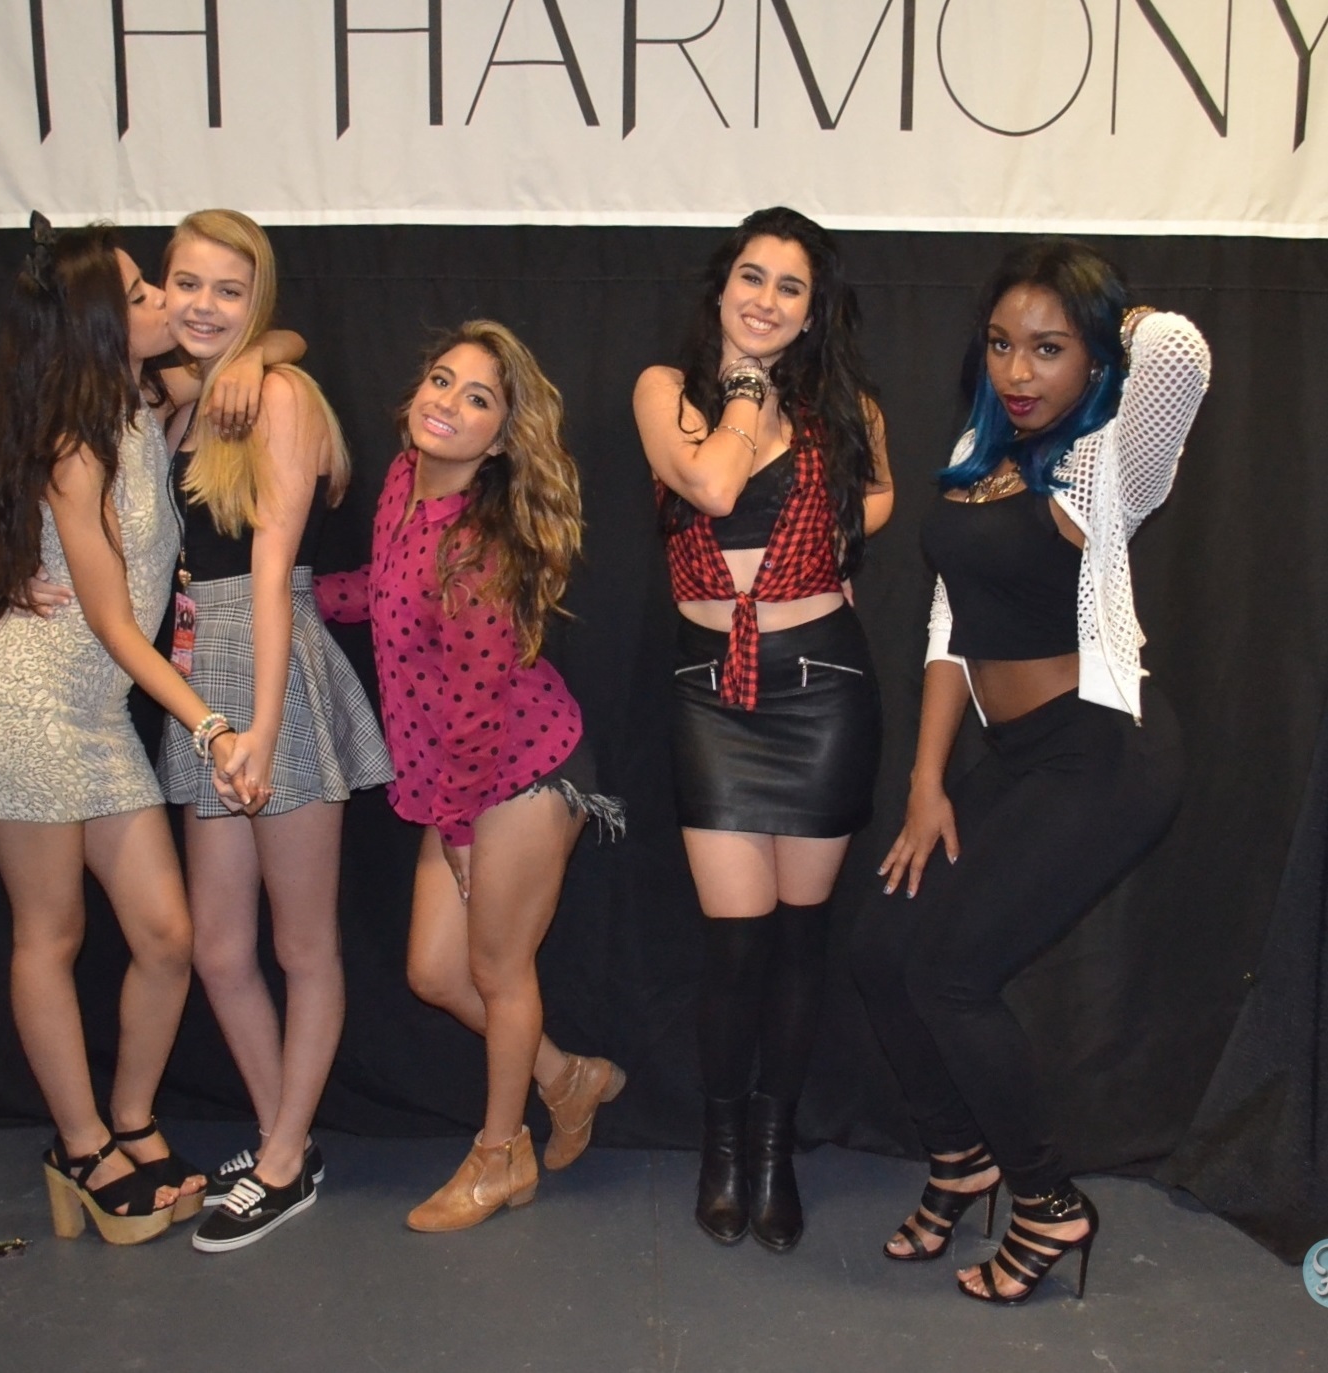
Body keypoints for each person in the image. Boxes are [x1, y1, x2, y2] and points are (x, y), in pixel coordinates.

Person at [849, 239, 1210, 1303]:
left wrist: (1103, 321)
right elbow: (949, 620)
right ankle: (960, 1157)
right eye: (1002, 343)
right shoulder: (982, 445)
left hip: (1102, 754)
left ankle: (1049, 1200)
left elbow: (1179, 354)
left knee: (950, 974)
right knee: (879, 950)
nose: (1018, 370)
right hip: (1013, 756)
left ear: (1091, 358)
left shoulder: (1105, 463)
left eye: (1048, 349)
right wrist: (925, 782)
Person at [0, 218, 246, 1245]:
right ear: (96, 322)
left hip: (95, 711)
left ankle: (130, 1117)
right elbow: (116, 622)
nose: (166, 301)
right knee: (52, 933)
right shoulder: (75, 447)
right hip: (24, 705)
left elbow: (265, 343)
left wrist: (255, 361)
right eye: (142, 292)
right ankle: (79, 1149)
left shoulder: (139, 405)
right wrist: (210, 726)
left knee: (165, 934)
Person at [318, 319, 626, 1233]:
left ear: (499, 438)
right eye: (442, 380)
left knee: (496, 969)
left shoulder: (481, 542)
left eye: (478, 397)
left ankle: (501, 1157)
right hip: (455, 777)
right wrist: (304, 597)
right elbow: (384, 590)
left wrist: (457, 834)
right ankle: (567, 1077)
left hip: (520, 770)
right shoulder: (403, 484)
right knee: (432, 971)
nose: (448, 402)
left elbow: (476, 709)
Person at [633, 207, 893, 1251]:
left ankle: (775, 1151)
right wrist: (744, 389)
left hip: (822, 685)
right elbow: (710, 483)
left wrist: (824, 539)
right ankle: (721, 1145)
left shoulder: (847, 408)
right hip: (711, 692)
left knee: (797, 938)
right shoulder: (667, 391)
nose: (766, 300)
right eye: (751, 276)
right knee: (732, 943)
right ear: (721, 287)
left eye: (790, 287)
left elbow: (877, 497)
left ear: (813, 309)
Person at [152, 210, 393, 1254]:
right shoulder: (180, 399)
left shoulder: (278, 395)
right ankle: (280, 1134)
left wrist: (257, 722)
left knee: (301, 942)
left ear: (261, 300)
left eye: (230, 289)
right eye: (187, 283)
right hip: (195, 680)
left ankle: (285, 1158)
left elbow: (272, 558)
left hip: (267, 666)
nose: (204, 306)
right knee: (217, 947)